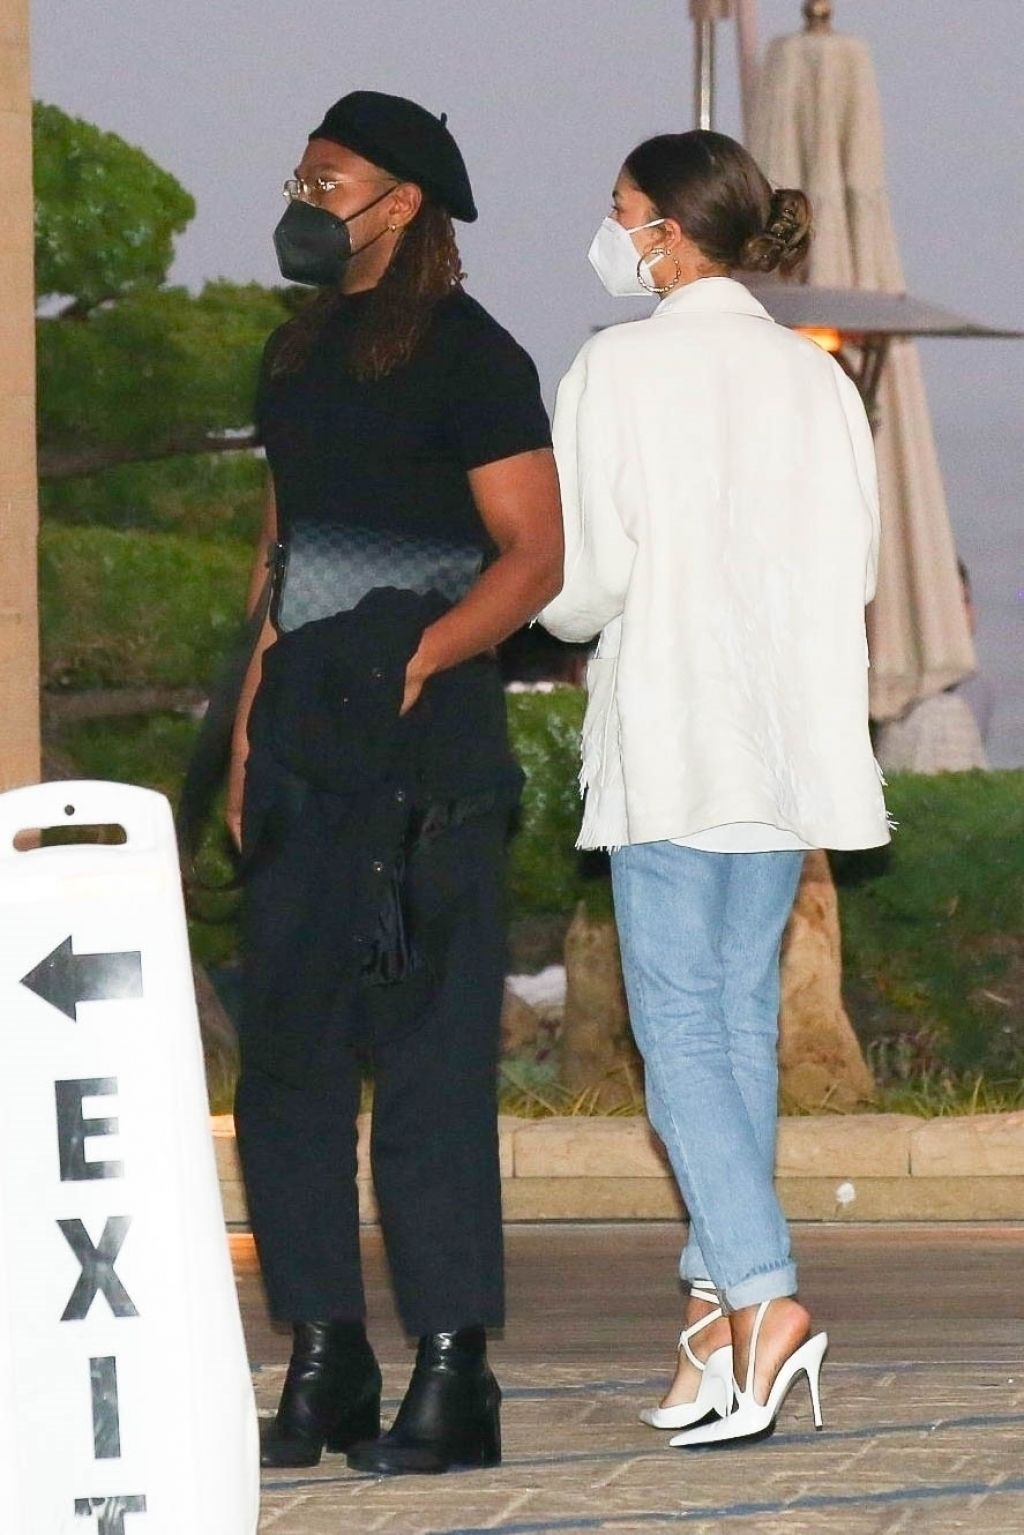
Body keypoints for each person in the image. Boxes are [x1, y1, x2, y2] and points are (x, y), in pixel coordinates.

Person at [228, 90, 562, 1477]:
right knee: (286, 1062)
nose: (305, 201)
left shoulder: (475, 357)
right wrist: (247, 733)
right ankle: (327, 1353)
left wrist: (421, 655)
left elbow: (533, 555)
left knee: (428, 1069)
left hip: (432, 767)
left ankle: (453, 1369)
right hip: (303, 753)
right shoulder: (295, 352)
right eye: (301, 178)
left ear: (401, 201)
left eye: (329, 180)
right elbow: (284, 547)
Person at [539, 129, 891, 1447]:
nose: (611, 230)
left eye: (621, 208)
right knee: (733, 1022)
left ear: (669, 232)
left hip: (678, 732)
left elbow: (585, 580)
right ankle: (714, 1322)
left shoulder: (616, 366)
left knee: (681, 1025)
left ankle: (763, 1292)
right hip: (788, 744)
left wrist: (551, 608)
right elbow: (860, 569)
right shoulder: (817, 378)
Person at [874, 557, 993, 772]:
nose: (965, 617)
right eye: (951, 606)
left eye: (965, 601)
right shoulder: (943, 715)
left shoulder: (974, 690)